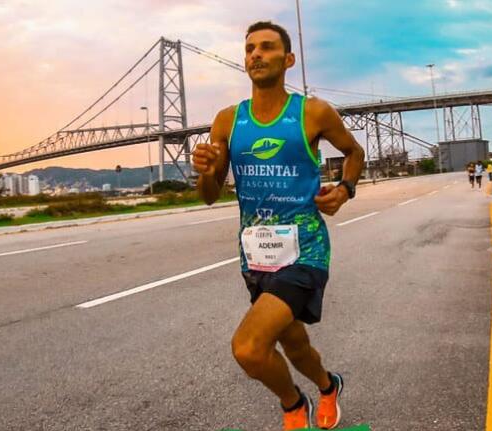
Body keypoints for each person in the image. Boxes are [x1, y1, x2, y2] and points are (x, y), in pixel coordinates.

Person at [191, 21, 365, 430]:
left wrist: (345, 189)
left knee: (249, 348)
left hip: (306, 250)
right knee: (296, 344)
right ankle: (328, 386)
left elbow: (353, 152)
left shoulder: (313, 112)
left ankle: (292, 405)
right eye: (250, 48)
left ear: (287, 59)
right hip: (255, 255)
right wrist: (208, 171)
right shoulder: (227, 121)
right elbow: (208, 195)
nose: (256, 54)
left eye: (267, 48)